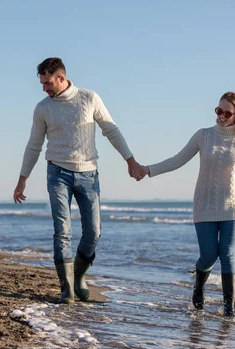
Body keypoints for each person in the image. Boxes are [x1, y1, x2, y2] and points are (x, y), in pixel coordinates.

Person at [13, 57, 145, 304]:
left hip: (88, 174)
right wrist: (22, 179)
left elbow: (111, 130)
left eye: (48, 82)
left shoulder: (89, 98)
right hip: (57, 173)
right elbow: (34, 145)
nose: (44, 88)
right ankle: (67, 290)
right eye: (42, 83)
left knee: (93, 232)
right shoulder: (43, 108)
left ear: (61, 78)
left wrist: (130, 160)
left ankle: (78, 277)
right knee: (62, 230)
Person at [141, 92, 235, 316]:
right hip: (204, 205)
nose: (222, 116)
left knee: (227, 254)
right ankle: (199, 286)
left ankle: (229, 312)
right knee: (208, 255)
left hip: (232, 206)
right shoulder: (203, 135)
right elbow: (177, 160)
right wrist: (148, 170)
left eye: (227, 113)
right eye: (218, 111)